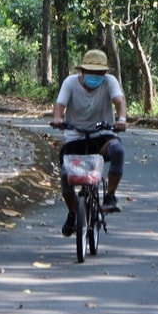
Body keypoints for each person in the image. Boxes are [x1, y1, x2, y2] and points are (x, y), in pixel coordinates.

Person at [50, 49, 127, 235]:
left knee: (118, 151)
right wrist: (58, 119)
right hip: (75, 138)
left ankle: (110, 196)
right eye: (91, 72)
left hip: (102, 136)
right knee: (66, 175)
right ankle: (73, 212)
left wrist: (121, 119)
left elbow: (119, 101)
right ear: (82, 71)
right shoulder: (70, 83)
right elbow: (60, 105)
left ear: (104, 73)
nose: (95, 76)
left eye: (99, 73)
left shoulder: (110, 82)